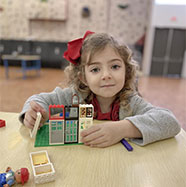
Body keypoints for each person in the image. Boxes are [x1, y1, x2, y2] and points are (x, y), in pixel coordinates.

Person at [19, 30, 181, 148]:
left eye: (115, 66)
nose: (106, 75)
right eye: (95, 69)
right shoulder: (74, 96)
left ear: (127, 70)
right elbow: (39, 100)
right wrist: (31, 113)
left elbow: (170, 122)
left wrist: (123, 128)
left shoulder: (130, 102)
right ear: (83, 77)